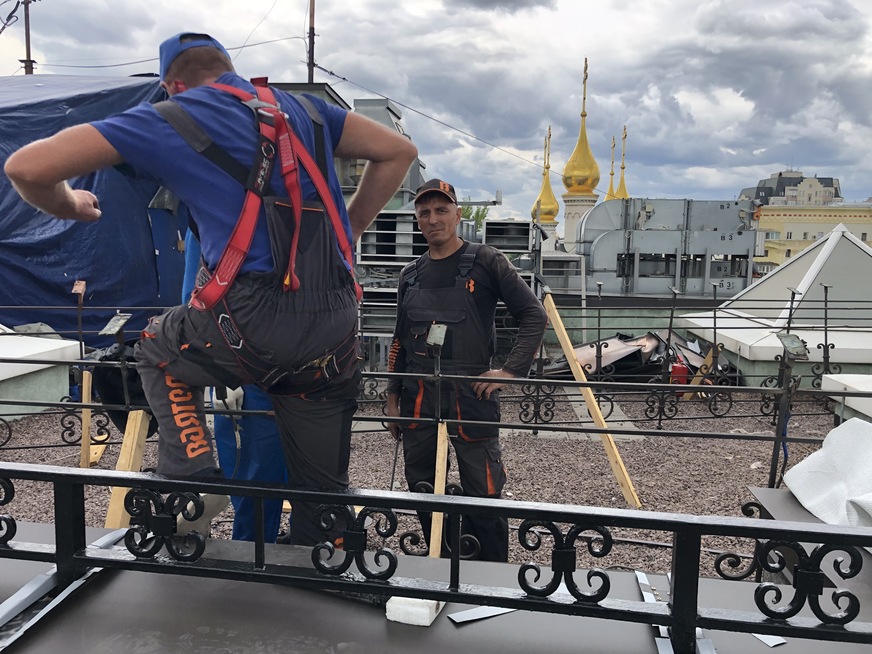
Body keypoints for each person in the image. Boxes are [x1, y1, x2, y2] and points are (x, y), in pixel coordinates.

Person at [5, 32, 418, 546]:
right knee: (323, 491)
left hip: (249, 320)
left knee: (157, 346)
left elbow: (26, 167)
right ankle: (324, 548)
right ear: (230, 69)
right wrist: (349, 230)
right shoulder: (309, 112)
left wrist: (74, 205)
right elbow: (398, 151)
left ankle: (194, 474)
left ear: (171, 84)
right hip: (334, 325)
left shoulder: (172, 116)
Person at [385, 179, 547, 562]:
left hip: (471, 397)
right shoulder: (410, 275)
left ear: (458, 215)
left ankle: (490, 577)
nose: (433, 218)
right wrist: (392, 399)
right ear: (417, 221)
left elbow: (533, 315)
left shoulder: (487, 261)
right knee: (423, 485)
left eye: (442, 210)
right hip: (418, 395)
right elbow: (399, 342)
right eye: (424, 212)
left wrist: (508, 373)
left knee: (483, 488)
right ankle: (442, 564)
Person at [182, 228, 288, 543]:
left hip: (284, 361)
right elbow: (195, 299)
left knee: (277, 464)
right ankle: (252, 549)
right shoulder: (203, 224)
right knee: (245, 465)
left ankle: (275, 546)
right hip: (239, 366)